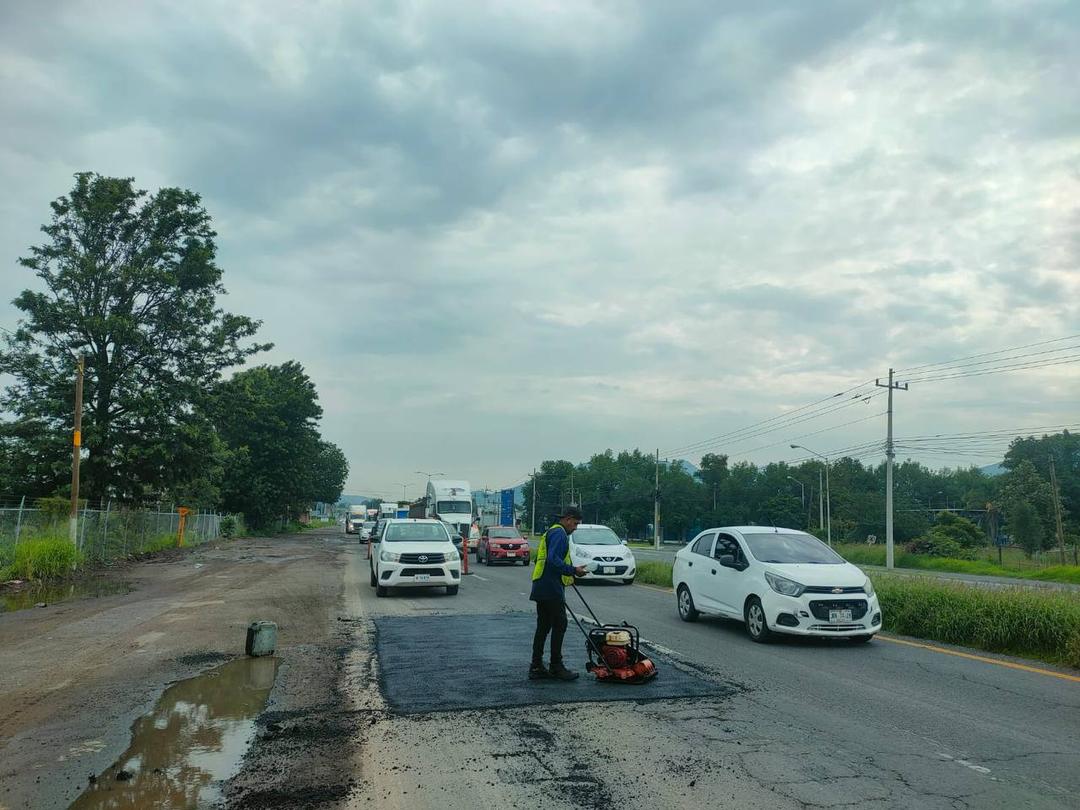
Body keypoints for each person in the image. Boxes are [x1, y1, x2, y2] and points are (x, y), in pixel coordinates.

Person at [529, 506, 588, 681]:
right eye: (575, 523)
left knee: (544, 626)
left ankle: (536, 666)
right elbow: (553, 559)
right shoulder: (560, 534)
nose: (575, 527)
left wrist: (569, 572)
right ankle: (556, 666)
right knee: (560, 624)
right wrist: (573, 570)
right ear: (568, 519)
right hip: (550, 587)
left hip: (543, 585)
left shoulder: (553, 532)